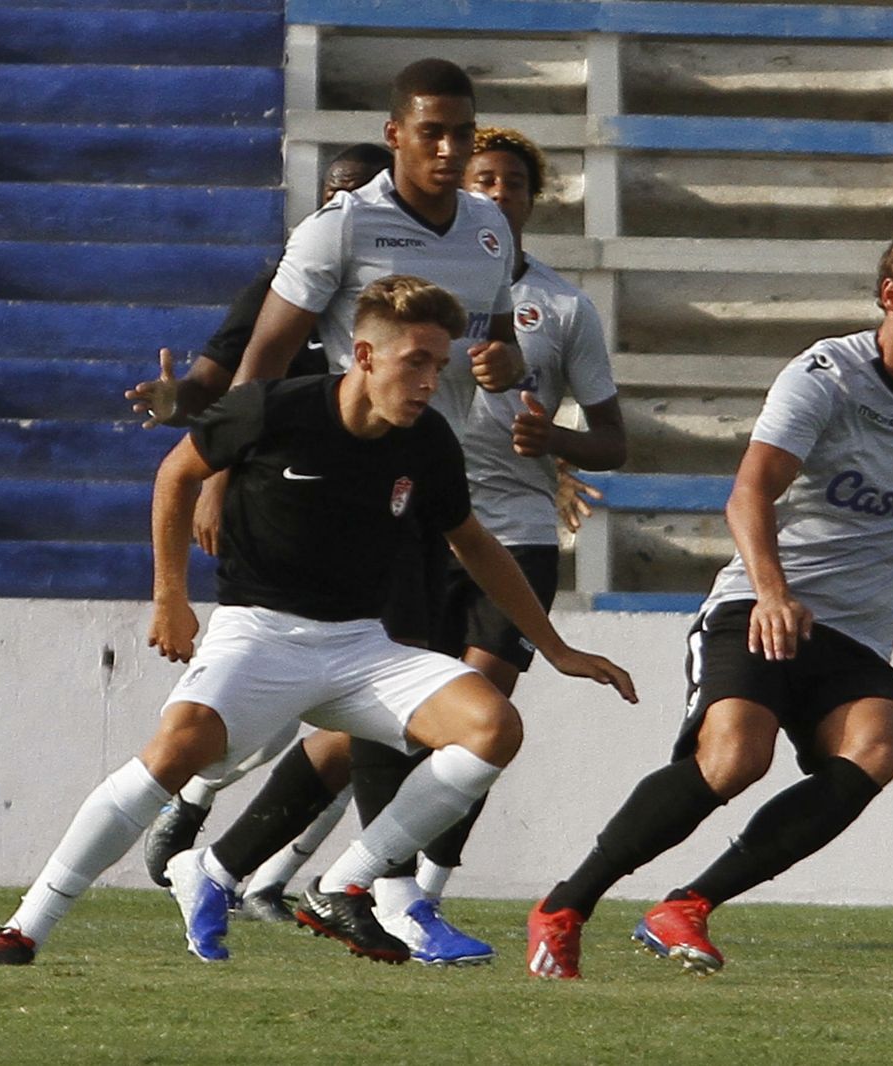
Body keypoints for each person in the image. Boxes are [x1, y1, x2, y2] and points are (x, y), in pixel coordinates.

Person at [0, 275, 635, 968]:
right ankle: (25, 926)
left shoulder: (429, 440)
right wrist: (170, 597)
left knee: (493, 727)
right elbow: (176, 475)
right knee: (173, 752)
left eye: (440, 366)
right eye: (417, 362)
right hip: (259, 635)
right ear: (365, 356)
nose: (431, 382)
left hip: (362, 645)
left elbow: (472, 542)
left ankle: (345, 882)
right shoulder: (274, 408)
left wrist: (556, 648)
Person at [156, 125, 630, 964]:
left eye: (513, 182)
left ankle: (395, 890)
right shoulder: (369, 281)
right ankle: (265, 867)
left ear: (529, 201)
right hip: (400, 516)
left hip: (509, 529)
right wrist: (218, 464)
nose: (496, 193)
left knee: (468, 716)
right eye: (484, 178)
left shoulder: (556, 304)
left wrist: (549, 442)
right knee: (370, 723)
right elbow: (248, 363)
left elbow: (603, 434)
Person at [122, 58, 532, 963]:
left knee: (363, 720)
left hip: (428, 487)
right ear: (396, 134)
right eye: (432, 131)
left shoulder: (488, 231)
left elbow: (493, 341)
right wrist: (219, 476)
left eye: (461, 132)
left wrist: (507, 362)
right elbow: (256, 356)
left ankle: (222, 867)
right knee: (384, 697)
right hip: (337, 496)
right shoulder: (339, 229)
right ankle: (383, 892)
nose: (450, 148)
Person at [525, 220, 893, 979]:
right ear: (890, 296)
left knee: (882, 743)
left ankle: (688, 906)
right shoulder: (825, 376)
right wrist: (775, 595)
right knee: (736, 758)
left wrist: (892, 593)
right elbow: (749, 491)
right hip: (759, 605)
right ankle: (564, 906)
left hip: (853, 634)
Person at [137, 144, 393, 907]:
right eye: (333, 195)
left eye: (358, 195)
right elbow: (219, 390)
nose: (342, 209)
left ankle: (275, 874)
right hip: (274, 512)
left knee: (366, 710)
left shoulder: (404, 297)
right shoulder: (284, 283)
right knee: (271, 697)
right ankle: (196, 804)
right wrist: (195, 443)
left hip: (371, 517)